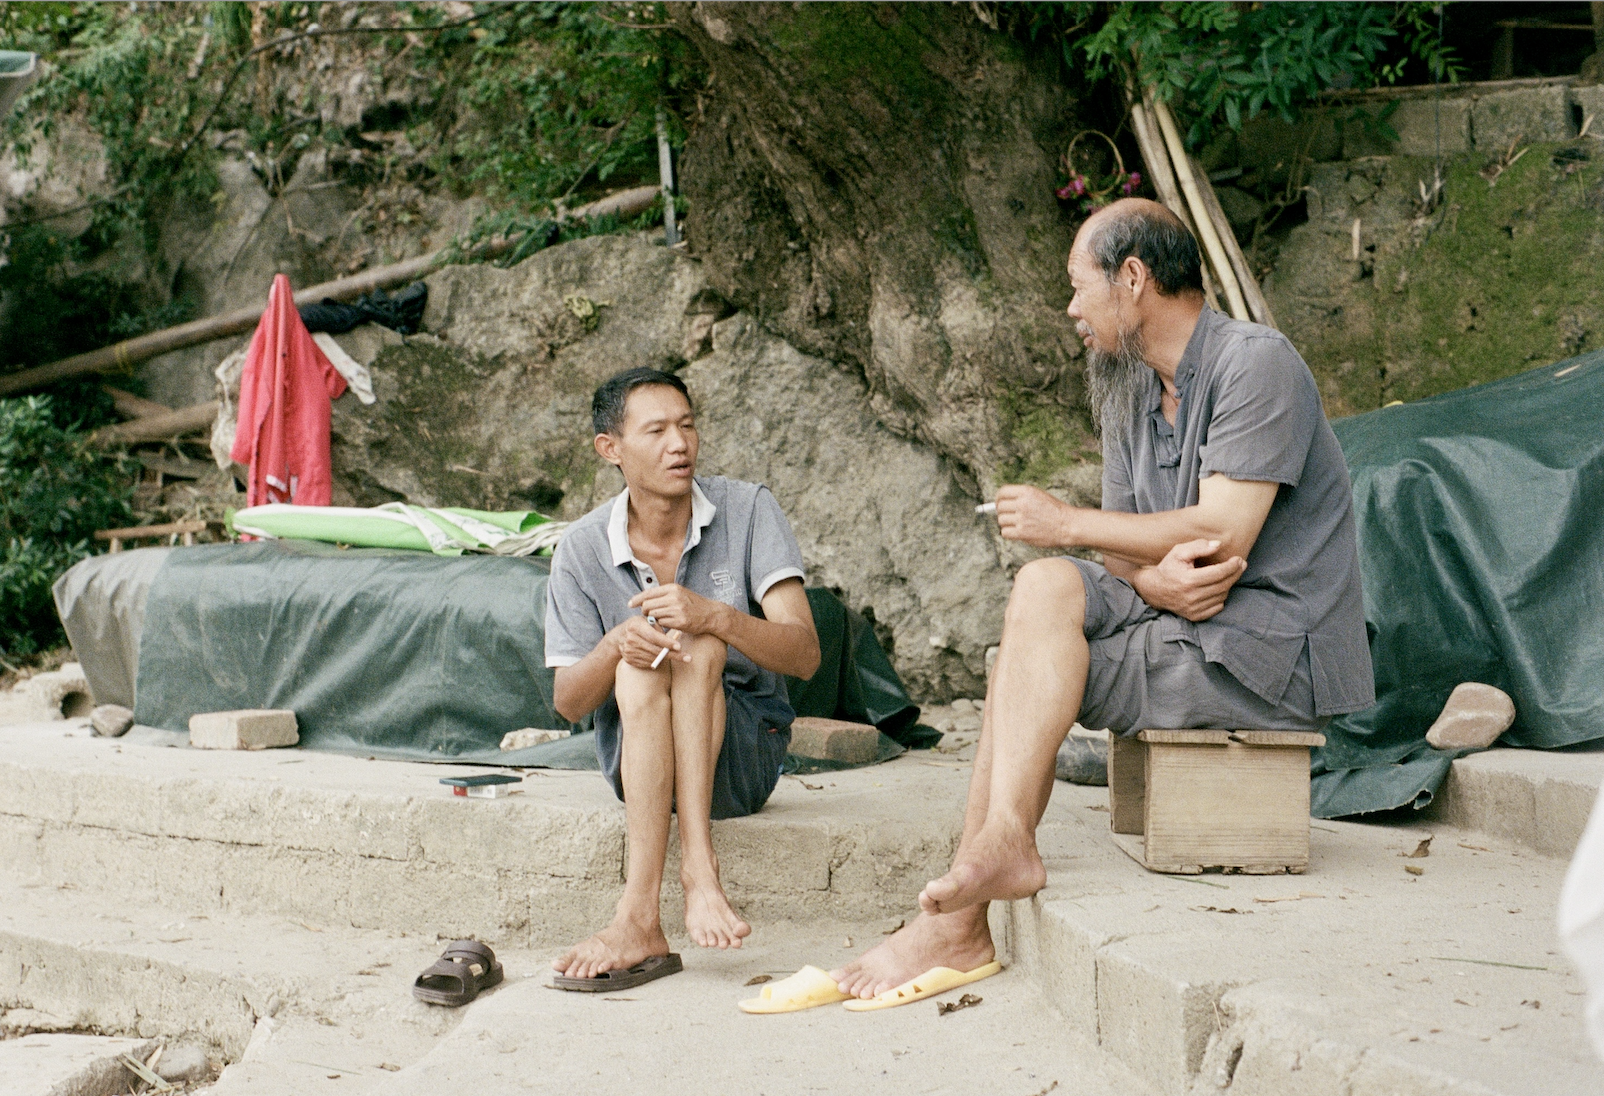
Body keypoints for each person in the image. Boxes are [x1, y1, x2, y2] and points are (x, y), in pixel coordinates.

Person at [833, 197, 1375, 1000]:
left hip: (1267, 650)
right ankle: (1001, 848)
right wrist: (1147, 577)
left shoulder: (1258, 363)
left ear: (1133, 278)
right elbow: (1126, 547)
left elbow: (1224, 532)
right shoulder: (1128, 386)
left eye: (1079, 286)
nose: (1070, 309)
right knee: (1042, 586)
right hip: (1182, 620)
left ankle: (960, 914)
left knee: (1028, 645)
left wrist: (1063, 521)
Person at [544, 367, 821, 987]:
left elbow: (804, 654)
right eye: (658, 430)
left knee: (696, 637)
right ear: (610, 449)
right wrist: (616, 644)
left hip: (742, 757)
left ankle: (697, 867)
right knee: (639, 666)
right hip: (640, 770)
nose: (680, 444)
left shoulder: (748, 508)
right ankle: (642, 913)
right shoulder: (582, 547)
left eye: (688, 426)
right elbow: (568, 702)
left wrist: (716, 616)